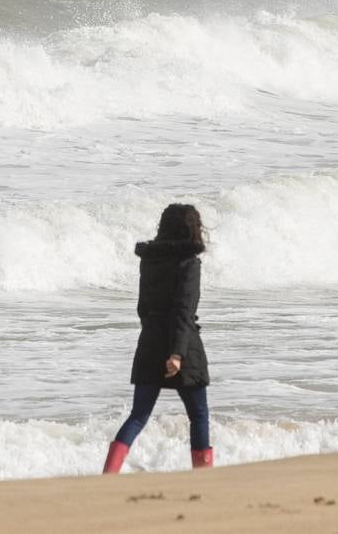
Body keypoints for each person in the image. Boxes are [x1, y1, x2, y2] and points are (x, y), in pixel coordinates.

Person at [102, 203, 213, 473]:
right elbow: (184, 310)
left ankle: (109, 473)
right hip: (184, 346)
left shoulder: (149, 260)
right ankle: (203, 477)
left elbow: (143, 307)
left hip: (150, 340)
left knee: (139, 415)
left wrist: (153, 335)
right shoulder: (189, 262)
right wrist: (176, 353)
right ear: (192, 230)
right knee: (198, 415)